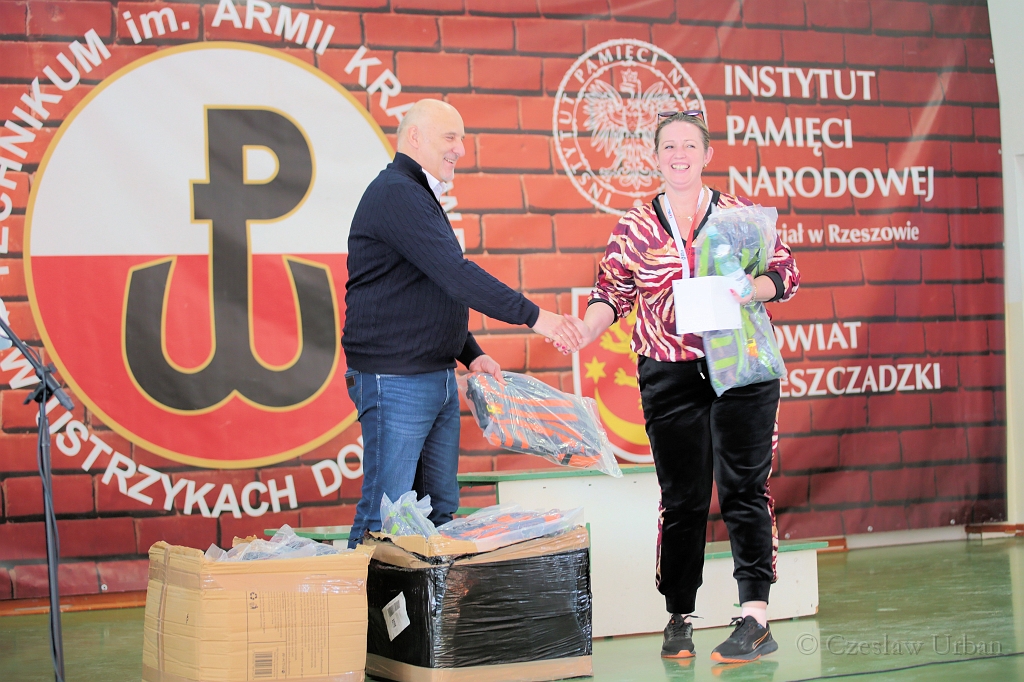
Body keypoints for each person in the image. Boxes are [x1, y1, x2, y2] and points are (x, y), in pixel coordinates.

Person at [574, 111, 800, 663]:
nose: (679, 154)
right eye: (669, 146)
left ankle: (756, 618)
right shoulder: (634, 226)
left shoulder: (740, 216)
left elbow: (786, 273)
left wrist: (753, 288)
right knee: (682, 498)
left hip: (740, 367)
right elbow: (611, 292)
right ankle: (679, 616)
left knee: (745, 489)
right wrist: (584, 329)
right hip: (669, 373)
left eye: (689, 145)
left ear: (707, 154)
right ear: (655, 157)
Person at [342, 99, 582, 548]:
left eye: (463, 139)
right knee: (385, 515)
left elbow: (431, 288)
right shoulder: (397, 192)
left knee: (437, 511)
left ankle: (421, 598)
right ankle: (363, 598)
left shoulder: (417, 194)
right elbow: (456, 274)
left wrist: (472, 354)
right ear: (415, 137)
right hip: (395, 380)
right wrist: (538, 318)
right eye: (450, 137)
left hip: (434, 376)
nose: (461, 149)